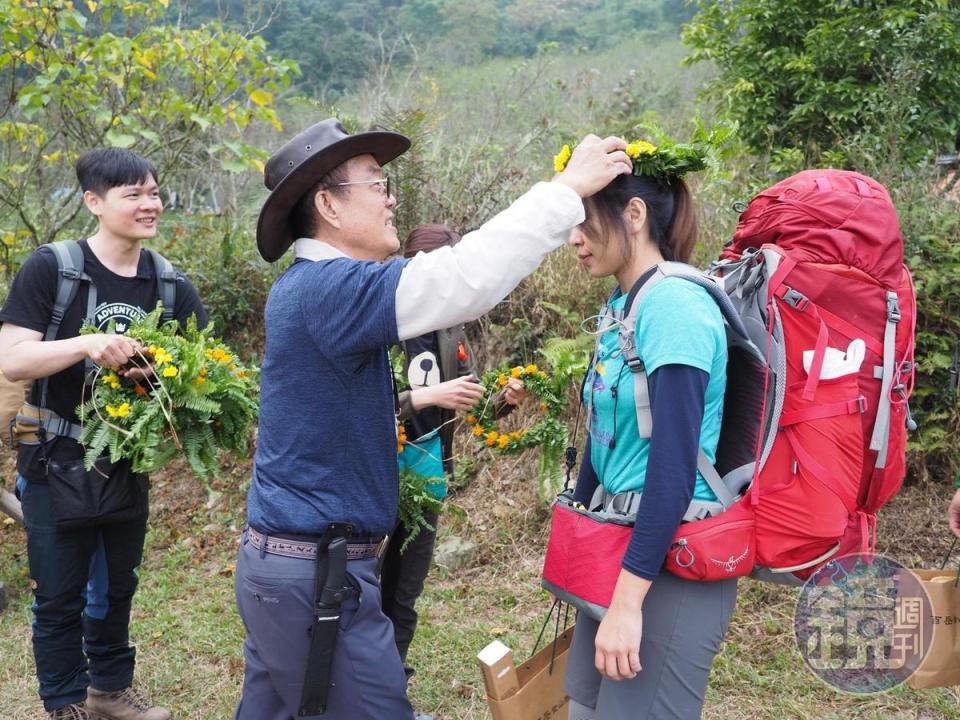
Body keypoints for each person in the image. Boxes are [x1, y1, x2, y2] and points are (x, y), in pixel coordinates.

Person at [234, 118, 630, 720]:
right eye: (375, 184)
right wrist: (567, 190)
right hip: (313, 578)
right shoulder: (326, 288)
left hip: (295, 569)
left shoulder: (316, 290)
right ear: (327, 205)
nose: (391, 198)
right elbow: (459, 279)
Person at [0, 148, 207, 719]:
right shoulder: (54, 268)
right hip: (52, 454)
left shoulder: (167, 284)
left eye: (154, 193)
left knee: (117, 587)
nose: (150, 205)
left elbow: (202, 367)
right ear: (93, 202)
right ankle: (65, 703)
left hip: (124, 459)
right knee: (59, 594)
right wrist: (88, 343)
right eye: (133, 195)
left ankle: (110, 693)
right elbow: (13, 360)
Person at [562, 145, 736, 719]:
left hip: (669, 562)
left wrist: (628, 601)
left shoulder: (675, 309)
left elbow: (674, 467)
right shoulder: (623, 306)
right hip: (621, 545)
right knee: (584, 706)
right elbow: (604, 438)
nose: (573, 239)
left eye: (583, 222)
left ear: (633, 215)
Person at [383, 223, 528, 679]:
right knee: (362, 584)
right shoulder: (383, 322)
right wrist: (425, 397)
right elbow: (359, 405)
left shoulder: (451, 330)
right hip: (376, 474)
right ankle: (357, 683)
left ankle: (392, 679)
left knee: (405, 589)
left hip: (425, 476)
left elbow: (472, 406)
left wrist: (504, 400)